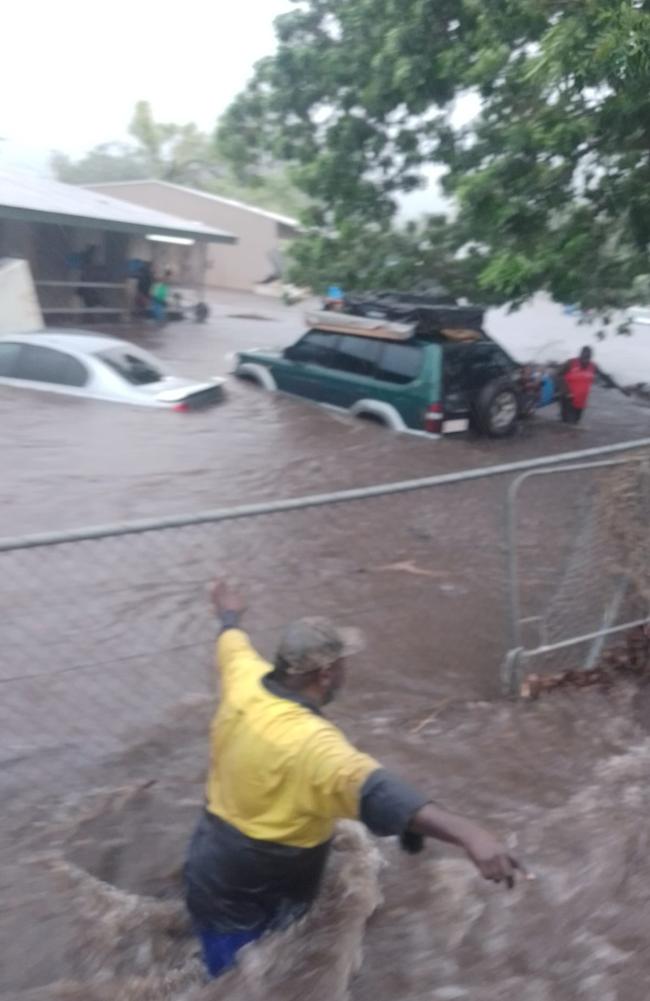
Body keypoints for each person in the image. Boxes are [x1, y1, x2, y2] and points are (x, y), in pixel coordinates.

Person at [184, 581, 523, 979]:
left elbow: (231, 640)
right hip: (260, 882)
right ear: (327, 674)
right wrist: (469, 834)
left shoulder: (244, 678)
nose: (347, 670)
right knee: (251, 981)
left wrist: (228, 613)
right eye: (344, 662)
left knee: (234, 973)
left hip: (208, 860)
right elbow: (378, 791)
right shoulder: (312, 744)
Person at [559, 346, 596, 424]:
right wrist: (567, 392)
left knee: (576, 422)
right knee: (569, 424)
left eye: (588, 357)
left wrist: (621, 388)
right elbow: (558, 375)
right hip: (568, 399)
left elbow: (606, 378)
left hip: (581, 402)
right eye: (584, 357)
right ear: (580, 355)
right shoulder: (571, 363)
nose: (586, 360)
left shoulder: (593, 366)